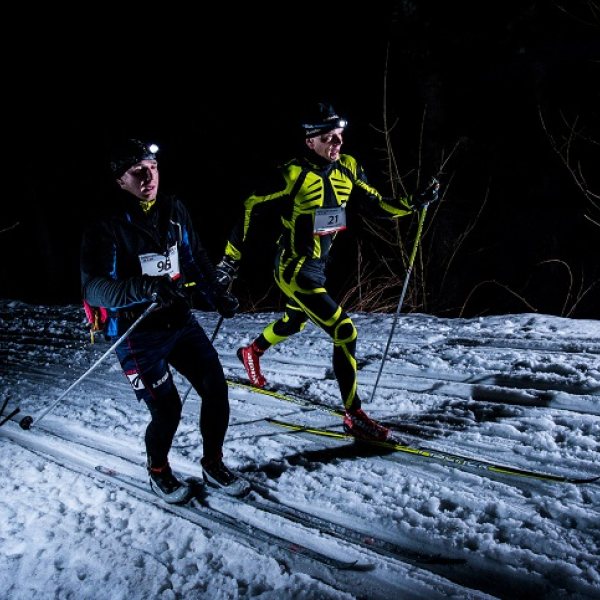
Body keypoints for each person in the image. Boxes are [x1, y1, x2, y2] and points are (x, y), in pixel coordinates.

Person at [216, 102, 439, 442]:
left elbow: (377, 205)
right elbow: (250, 206)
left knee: (294, 321)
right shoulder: (293, 173)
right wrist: (230, 260)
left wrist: (414, 202)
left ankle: (252, 352)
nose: (337, 144)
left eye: (339, 136)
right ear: (310, 142)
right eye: (328, 138)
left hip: (319, 266)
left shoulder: (348, 167)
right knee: (345, 331)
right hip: (294, 269)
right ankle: (354, 415)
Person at [81, 138, 249, 502]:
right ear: (119, 181)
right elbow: (95, 287)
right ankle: (159, 471)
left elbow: (193, 257)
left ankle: (213, 464)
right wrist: (145, 287)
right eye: (137, 171)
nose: (148, 176)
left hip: (179, 320)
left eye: (153, 168)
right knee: (168, 409)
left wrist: (216, 295)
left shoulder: (173, 208)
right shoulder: (106, 225)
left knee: (215, 388)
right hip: (137, 333)